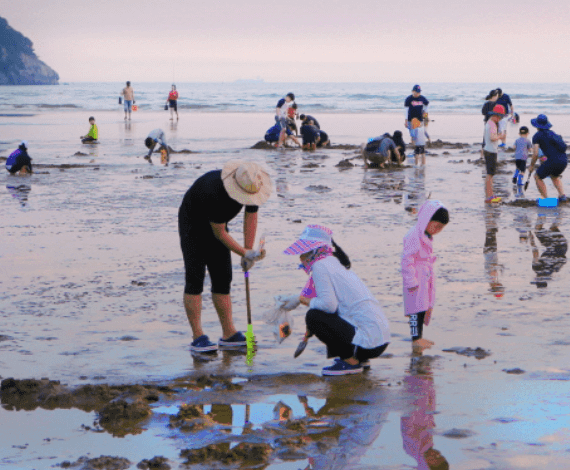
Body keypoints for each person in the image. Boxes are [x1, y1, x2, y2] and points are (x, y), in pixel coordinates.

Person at [178, 161, 271, 353]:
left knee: (223, 277)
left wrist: (248, 252)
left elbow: (251, 216)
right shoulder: (215, 191)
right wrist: (244, 253)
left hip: (218, 226)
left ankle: (229, 333)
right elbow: (219, 233)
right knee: (195, 278)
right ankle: (198, 336)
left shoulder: (251, 185)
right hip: (193, 224)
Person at [285, 225, 391, 376]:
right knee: (318, 313)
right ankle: (360, 358)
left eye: (304, 251)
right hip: (380, 339)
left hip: (368, 342)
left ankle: (350, 361)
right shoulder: (336, 263)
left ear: (315, 251)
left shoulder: (320, 266)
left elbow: (329, 305)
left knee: (313, 316)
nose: (301, 257)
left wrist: (303, 300)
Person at [401, 201, 449, 353]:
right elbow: (406, 259)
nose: (437, 231)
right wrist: (411, 280)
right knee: (415, 310)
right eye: (437, 226)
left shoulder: (425, 235)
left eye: (441, 228)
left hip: (424, 276)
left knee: (422, 308)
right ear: (427, 220)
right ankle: (415, 339)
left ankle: (419, 337)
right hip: (416, 278)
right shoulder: (414, 235)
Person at [529, 114, 568, 201]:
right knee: (554, 176)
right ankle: (562, 196)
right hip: (563, 160)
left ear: (537, 125)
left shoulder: (537, 136)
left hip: (552, 161)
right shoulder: (553, 133)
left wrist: (531, 165)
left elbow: (535, 153)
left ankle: (545, 198)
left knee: (537, 176)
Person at [483, 105, 506, 202]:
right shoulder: (492, 124)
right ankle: (489, 196)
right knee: (490, 174)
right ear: (496, 116)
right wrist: (500, 137)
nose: (500, 120)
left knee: (490, 174)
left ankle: (490, 194)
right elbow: (492, 138)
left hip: (488, 149)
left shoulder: (489, 122)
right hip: (491, 151)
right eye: (500, 117)